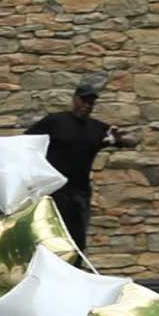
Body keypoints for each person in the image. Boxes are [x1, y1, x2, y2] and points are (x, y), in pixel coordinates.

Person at [25, 78, 129, 253]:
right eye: (84, 100)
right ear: (75, 99)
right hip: (53, 191)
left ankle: (74, 273)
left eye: (91, 102)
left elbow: (131, 141)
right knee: (49, 237)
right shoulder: (56, 121)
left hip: (79, 194)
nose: (87, 105)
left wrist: (119, 140)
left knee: (77, 241)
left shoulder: (97, 129)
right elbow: (28, 140)